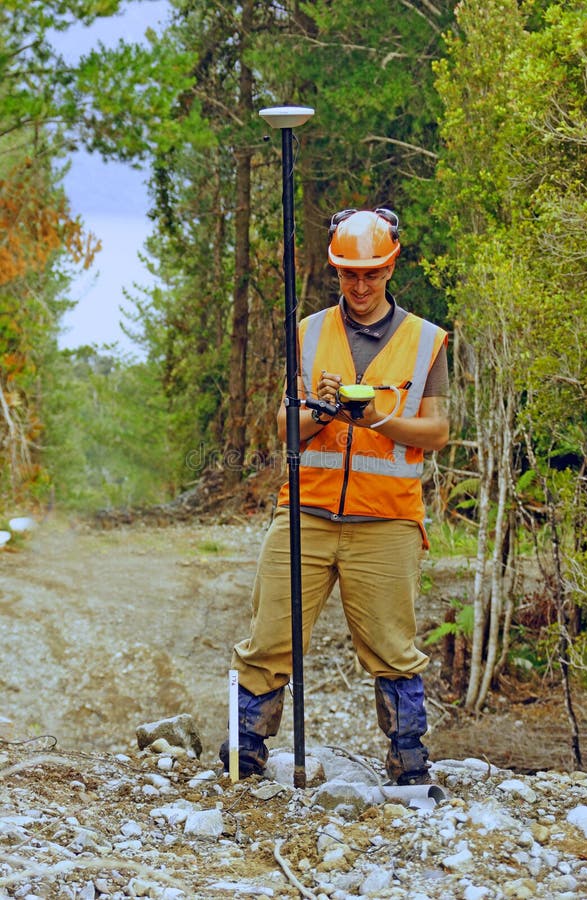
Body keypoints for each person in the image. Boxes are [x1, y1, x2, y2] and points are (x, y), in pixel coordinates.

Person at [220, 208, 449, 784]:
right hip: (306, 513)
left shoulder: (426, 341)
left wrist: (379, 416)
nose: (361, 285)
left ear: (391, 265)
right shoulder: (310, 333)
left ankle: (408, 759)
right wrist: (317, 412)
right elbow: (283, 427)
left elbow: (438, 431)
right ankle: (245, 754)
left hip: (387, 520)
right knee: (271, 635)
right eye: (350, 273)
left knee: (393, 647)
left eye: (372, 272)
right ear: (335, 270)